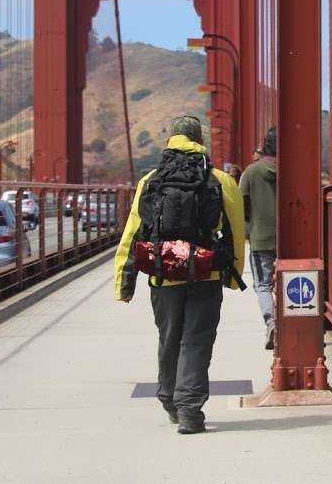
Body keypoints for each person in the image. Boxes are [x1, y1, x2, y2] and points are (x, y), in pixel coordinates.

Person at [113, 115, 246, 435]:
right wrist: (232, 274)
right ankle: (189, 409)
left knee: (169, 337)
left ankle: (168, 397)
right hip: (205, 273)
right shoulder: (219, 179)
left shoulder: (151, 180)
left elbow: (133, 232)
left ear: (171, 140)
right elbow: (236, 231)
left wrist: (124, 280)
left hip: (163, 274)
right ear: (199, 140)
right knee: (197, 341)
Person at [239, 127, 277, 350]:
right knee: (287, 282)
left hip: (260, 238)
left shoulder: (251, 172)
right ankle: (290, 322)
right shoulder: (294, 170)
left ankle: (271, 322)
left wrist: (248, 228)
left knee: (262, 285)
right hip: (292, 241)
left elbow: (241, 204)